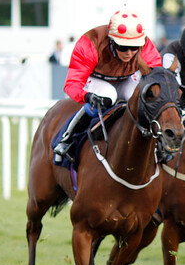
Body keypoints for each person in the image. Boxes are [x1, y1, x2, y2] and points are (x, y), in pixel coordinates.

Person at [53, 9, 161, 161]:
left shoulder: (145, 44)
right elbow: (72, 83)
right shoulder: (90, 43)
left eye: (134, 47)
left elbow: (156, 75)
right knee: (109, 95)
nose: (129, 53)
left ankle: (156, 143)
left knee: (138, 96)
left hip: (125, 79)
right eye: (123, 47)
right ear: (111, 40)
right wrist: (87, 96)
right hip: (95, 79)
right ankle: (67, 139)